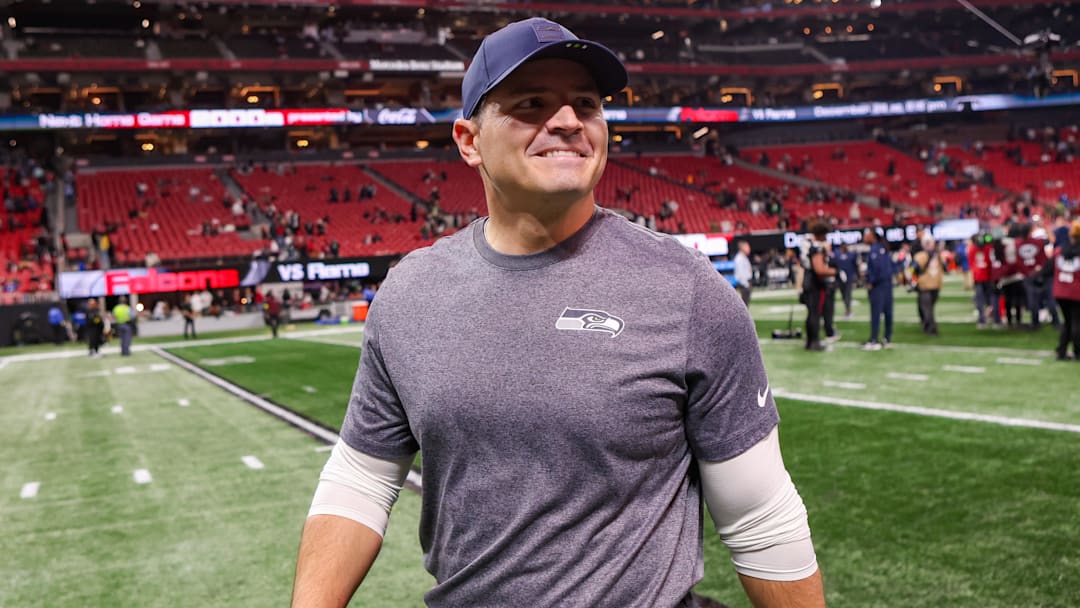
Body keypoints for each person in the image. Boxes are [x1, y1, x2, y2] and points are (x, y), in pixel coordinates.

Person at [291, 17, 823, 608]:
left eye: (586, 105)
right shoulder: (409, 294)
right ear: (469, 141)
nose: (567, 120)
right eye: (531, 103)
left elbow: (758, 515)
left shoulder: (686, 291)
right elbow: (361, 482)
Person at [799, 221, 838, 351]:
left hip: (808, 279)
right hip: (815, 282)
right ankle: (814, 341)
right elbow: (819, 269)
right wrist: (836, 271)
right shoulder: (816, 247)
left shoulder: (807, 242)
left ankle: (810, 341)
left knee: (811, 313)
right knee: (815, 313)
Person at [1050, 220, 1080, 360]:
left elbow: (1048, 268)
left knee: (1067, 322)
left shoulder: (1059, 251)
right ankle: (1077, 351)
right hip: (1076, 292)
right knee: (1076, 323)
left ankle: (1061, 351)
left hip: (1060, 291)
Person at [862, 228, 894, 350]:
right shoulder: (884, 248)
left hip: (878, 286)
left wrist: (870, 282)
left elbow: (876, 268)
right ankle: (887, 338)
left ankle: (874, 339)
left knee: (876, 313)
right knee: (888, 312)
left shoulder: (875, 250)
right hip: (887, 285)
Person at [913, 234, 943, 336]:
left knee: (927, 308)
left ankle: (931, 327)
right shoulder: (938, 255)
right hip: (936, 285)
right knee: (928, 308)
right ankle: (927, 325)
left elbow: (913, 269)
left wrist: (913, 281)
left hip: (925, 285)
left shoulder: (921, 256)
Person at [833, 242, 858, 319]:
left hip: (849, 278)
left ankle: (848, 310)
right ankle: (847, 309)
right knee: (843, 295)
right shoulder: (836, 254)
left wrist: (856, 276)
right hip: (839, 279)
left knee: (848, 295)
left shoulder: (851, 254)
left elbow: (855, 265)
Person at [732, 239, 753, 305]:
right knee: (744, 303)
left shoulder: (743, 257)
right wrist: (745, 284)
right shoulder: (739, 258)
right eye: (747, 246)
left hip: (745, 282)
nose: (749, 248)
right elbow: (740, 273)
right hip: (743, 283)